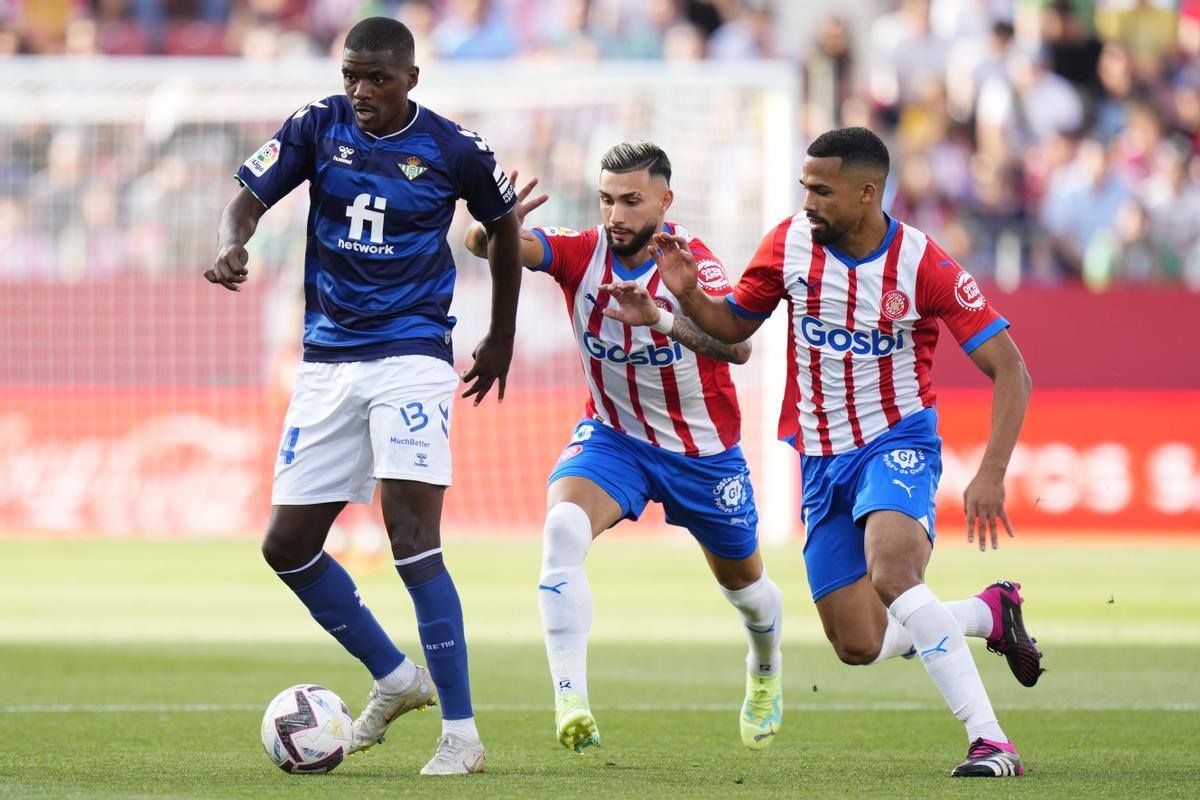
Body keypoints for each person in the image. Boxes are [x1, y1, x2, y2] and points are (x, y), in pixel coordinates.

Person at [615, 127, 1041, 777]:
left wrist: (991, 471)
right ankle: (988, 612)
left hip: (896, 442)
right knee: (858, 644)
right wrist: (689, 294)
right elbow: (734, 326)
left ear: (868, 193)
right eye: (803, 187)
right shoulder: (788, 244)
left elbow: (1011, 369)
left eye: (822, 190)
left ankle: (990, 741)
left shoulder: (923, 264)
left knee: (895, 573)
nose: (807, 201)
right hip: (820, 460)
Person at [205, 16, 522, 776]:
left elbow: (504, 227)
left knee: (413, 539)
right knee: (286, 546)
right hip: (327, 361)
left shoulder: (455, 149)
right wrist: (232, 240)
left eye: (377, 77)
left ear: (411, 78)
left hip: (411, 355)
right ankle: (394, 676)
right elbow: (248, 193)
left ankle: (463, 736)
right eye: (352, 74)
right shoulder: (319, 125)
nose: (361, 90)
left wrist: (500, 332)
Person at [464, 141, 785, 753]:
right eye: (608, 199)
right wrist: (493, 228)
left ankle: (765, 668)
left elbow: (737, 349)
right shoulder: (582, 251)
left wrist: (664, 318)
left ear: (665, 200)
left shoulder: (696, 267)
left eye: (631, 201)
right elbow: (489, 247)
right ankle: (570, 699)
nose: (616, 214)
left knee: (746, 591)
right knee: (561, 529)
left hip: (703, 454)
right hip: (614, 438)